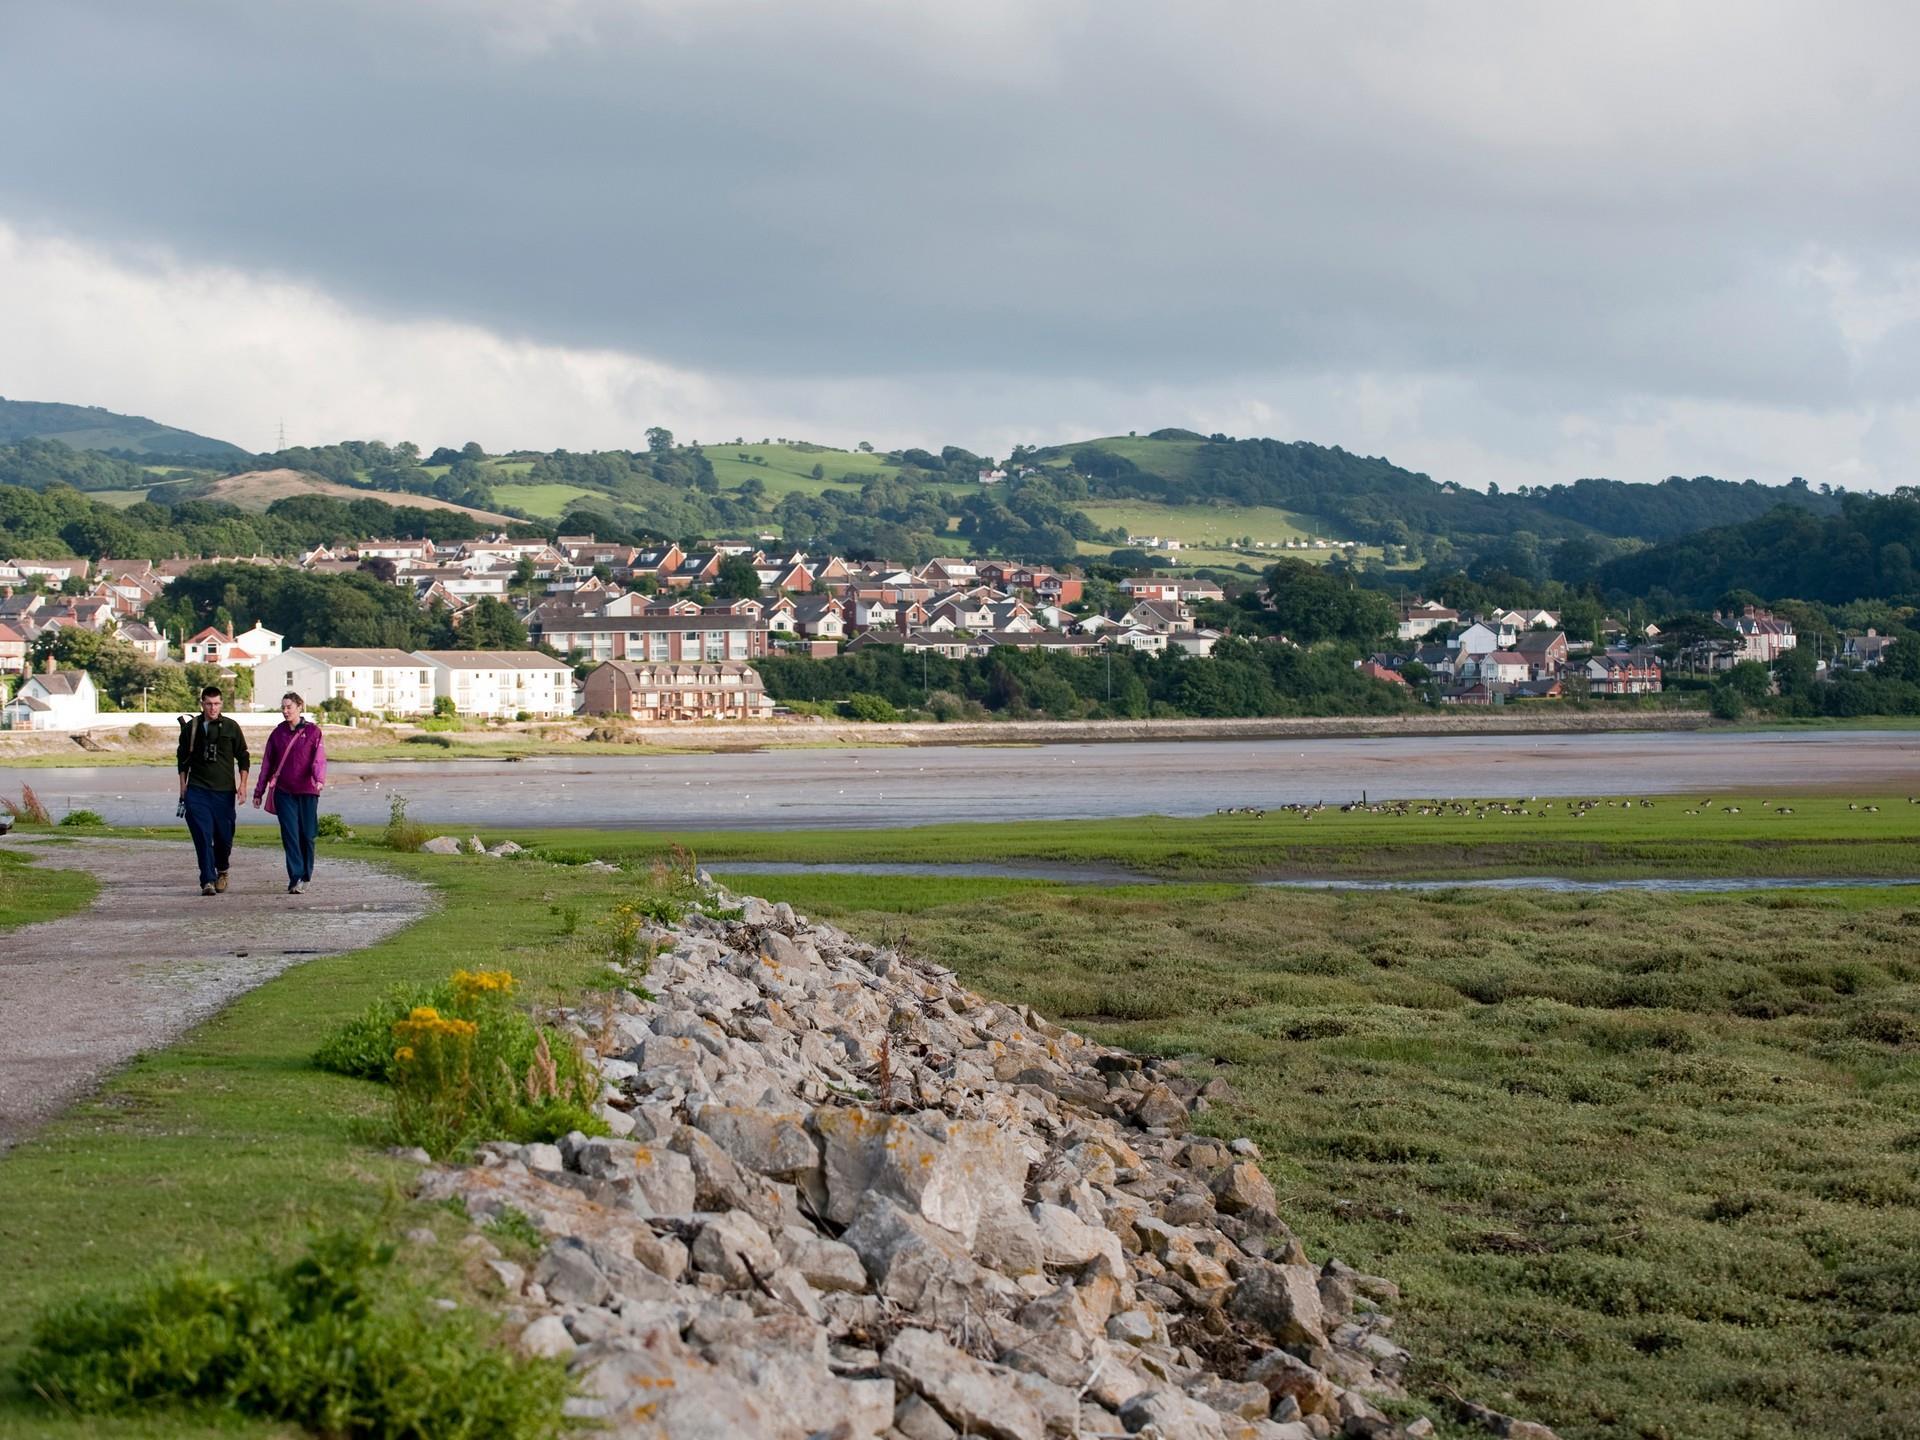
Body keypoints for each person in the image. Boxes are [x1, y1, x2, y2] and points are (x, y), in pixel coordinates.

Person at [176, 685, 250, 897]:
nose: (212, 708)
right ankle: (207, 880)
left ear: (221, 704)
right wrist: (183, 787)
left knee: (224, 837)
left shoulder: (231, 727)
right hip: (197, 791)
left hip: (224, 792)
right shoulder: (191, 727)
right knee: (203, 834)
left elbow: (243, 756)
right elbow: (182, 760)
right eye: (208, 704)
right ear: (202, 704)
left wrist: (243, 784)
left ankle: (222, 869)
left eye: (216, 703)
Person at [252, 691, 326, 894]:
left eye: (288, 707)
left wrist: (319, 779)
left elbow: (319, 758)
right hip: (284, 792)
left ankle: (306, 875)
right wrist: (259, 791)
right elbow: (267, 763)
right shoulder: (278, 734)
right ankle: (295, 878)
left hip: (308, 791)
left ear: (299, 707)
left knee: (307, 835)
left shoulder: (313, 732)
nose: (285, 711)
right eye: (283, 707)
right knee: (290, 835)